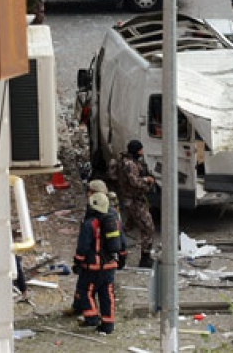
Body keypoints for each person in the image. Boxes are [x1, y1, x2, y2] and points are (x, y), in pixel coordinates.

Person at [73, 193, 124, 335]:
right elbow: (122, 242)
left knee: (85, 291)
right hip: (110, 266)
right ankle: (108, 324)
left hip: (93, 266)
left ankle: (92, 317)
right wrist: (122, 257)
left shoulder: (90, 224)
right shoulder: (113, 220)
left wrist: (78, 261)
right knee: (107, 294)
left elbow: (83, 245)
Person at [113, 139, 155, 268]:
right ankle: (145, 258)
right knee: (148, 227)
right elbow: (135, 182)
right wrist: (147, 180)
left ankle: (118, 254)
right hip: (134, 200)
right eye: (140, 150)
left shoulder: (129, 162)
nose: (142, 152)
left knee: (125, 228)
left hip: (133, 199)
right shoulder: (129, 164)